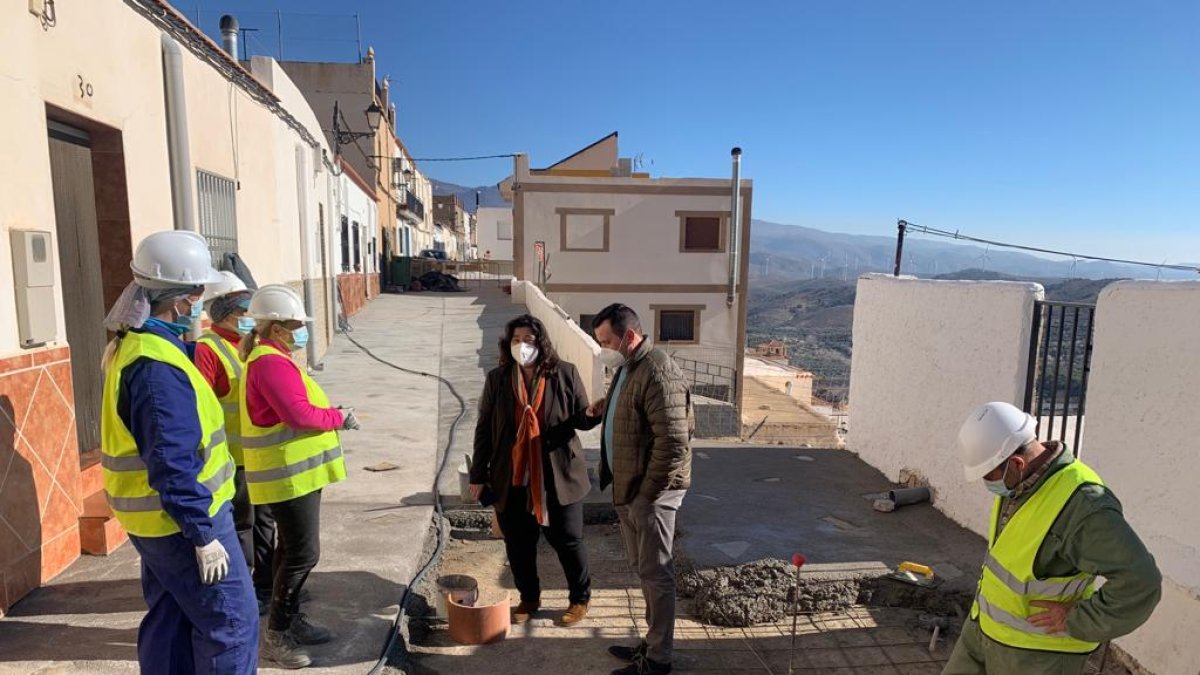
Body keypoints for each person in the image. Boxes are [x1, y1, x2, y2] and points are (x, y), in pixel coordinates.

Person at [100, 230, 257, 673]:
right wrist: (203, 534)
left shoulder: (141, 346)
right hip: (184, 523)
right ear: (182, 298)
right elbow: (173, 461)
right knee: (232, 624)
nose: (201, 303)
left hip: (158, 522)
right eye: (198, 293)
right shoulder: (156, 368)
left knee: (171, 618)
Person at [943, 401, 1162, 675]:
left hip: (1036, 655)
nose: (988, 485)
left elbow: (1142, 581)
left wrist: (1079, 619)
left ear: (1016, 463)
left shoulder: (1084, 506)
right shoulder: (1020, 485)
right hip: (984, 630)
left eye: (989, 476)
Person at [238, 284, 358, 669]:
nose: (301, 332)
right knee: (303, 554)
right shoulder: (270, 362)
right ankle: (276, 635)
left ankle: (289, 621)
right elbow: (300, 415)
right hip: (288, 476)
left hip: (294, 475)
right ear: (276, 329)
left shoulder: (272, 357)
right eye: (295, 326)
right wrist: (339, 417)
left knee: (288, 550)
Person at [580, 304, 692, 675]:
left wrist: (647, 496)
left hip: (653, 493)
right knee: (644, 570)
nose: (605, 349)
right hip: (630, 489)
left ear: (629, 336)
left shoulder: (658, 370)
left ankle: (659, 660)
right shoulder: (631, 366)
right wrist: (607, 408)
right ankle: (652, 641)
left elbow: (675, 442)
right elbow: (636, 415)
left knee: (657, 574)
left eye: (608, 341)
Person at [469, 315, 594, 626]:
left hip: (558, 474)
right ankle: (529, 597)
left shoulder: (565, 373)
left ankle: (580, 598)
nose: (522, 346)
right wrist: (478, 475)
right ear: (507, 344)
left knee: (567, 539)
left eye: (529, 340)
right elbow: (484, 428)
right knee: (519, 543)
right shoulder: (498, 380)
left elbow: (581, 418)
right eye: (516, 340)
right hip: (511, 475)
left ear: (541, 343)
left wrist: (592, 414)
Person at [194, 271, 279, 614]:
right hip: (235, 460)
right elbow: (202, 408)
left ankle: (268, 587)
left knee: (266, 523)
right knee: (243, 525)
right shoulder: (208, 349)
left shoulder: (252, 346)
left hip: (261, 455)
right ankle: (246, 591)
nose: (249, 317)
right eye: (243, 310)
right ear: (223, 312)